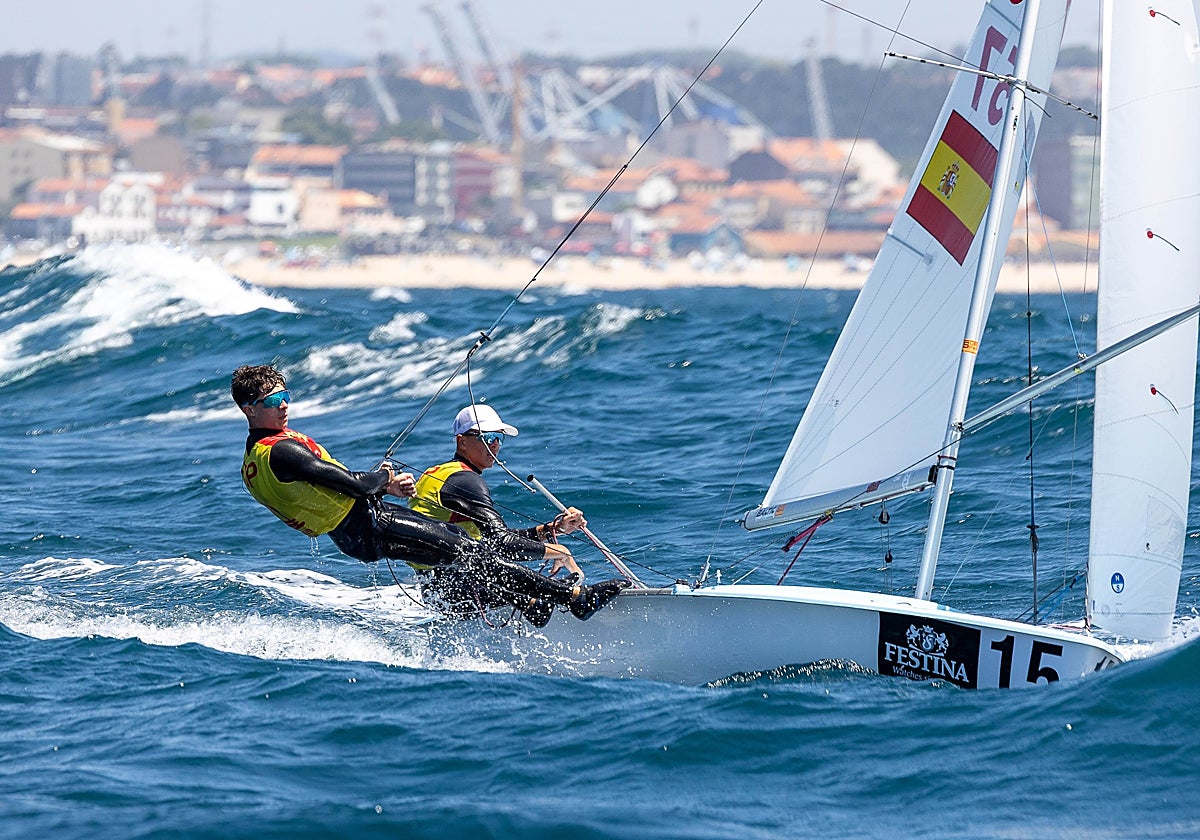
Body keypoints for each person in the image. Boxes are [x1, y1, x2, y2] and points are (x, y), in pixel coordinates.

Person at [231, 365, 624, 625]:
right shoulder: (282, 450)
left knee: (462, 554)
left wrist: (382, 487)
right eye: (272, 402)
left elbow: (326, 492)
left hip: (352, 535)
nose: (284, 406)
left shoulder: (253, 459)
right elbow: (353, 484)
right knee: (472, 552)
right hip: (370, 524)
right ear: (249, 409)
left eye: (286, 397)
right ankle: (573, 597)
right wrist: (383, 479)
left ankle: (531, 604)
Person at [410, 403, 629, 625]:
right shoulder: (464, 481)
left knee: (496, 562)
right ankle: (570, 600)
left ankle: (537, 604)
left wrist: (551, 531)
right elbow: (503, 543)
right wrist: (558, 551)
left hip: (441, 593)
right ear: (461, 441)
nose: (494, 445)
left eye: (499, 438)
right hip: (462, 589)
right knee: (511, 566)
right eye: (487, 437)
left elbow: (487, 539)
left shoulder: (439, 473)